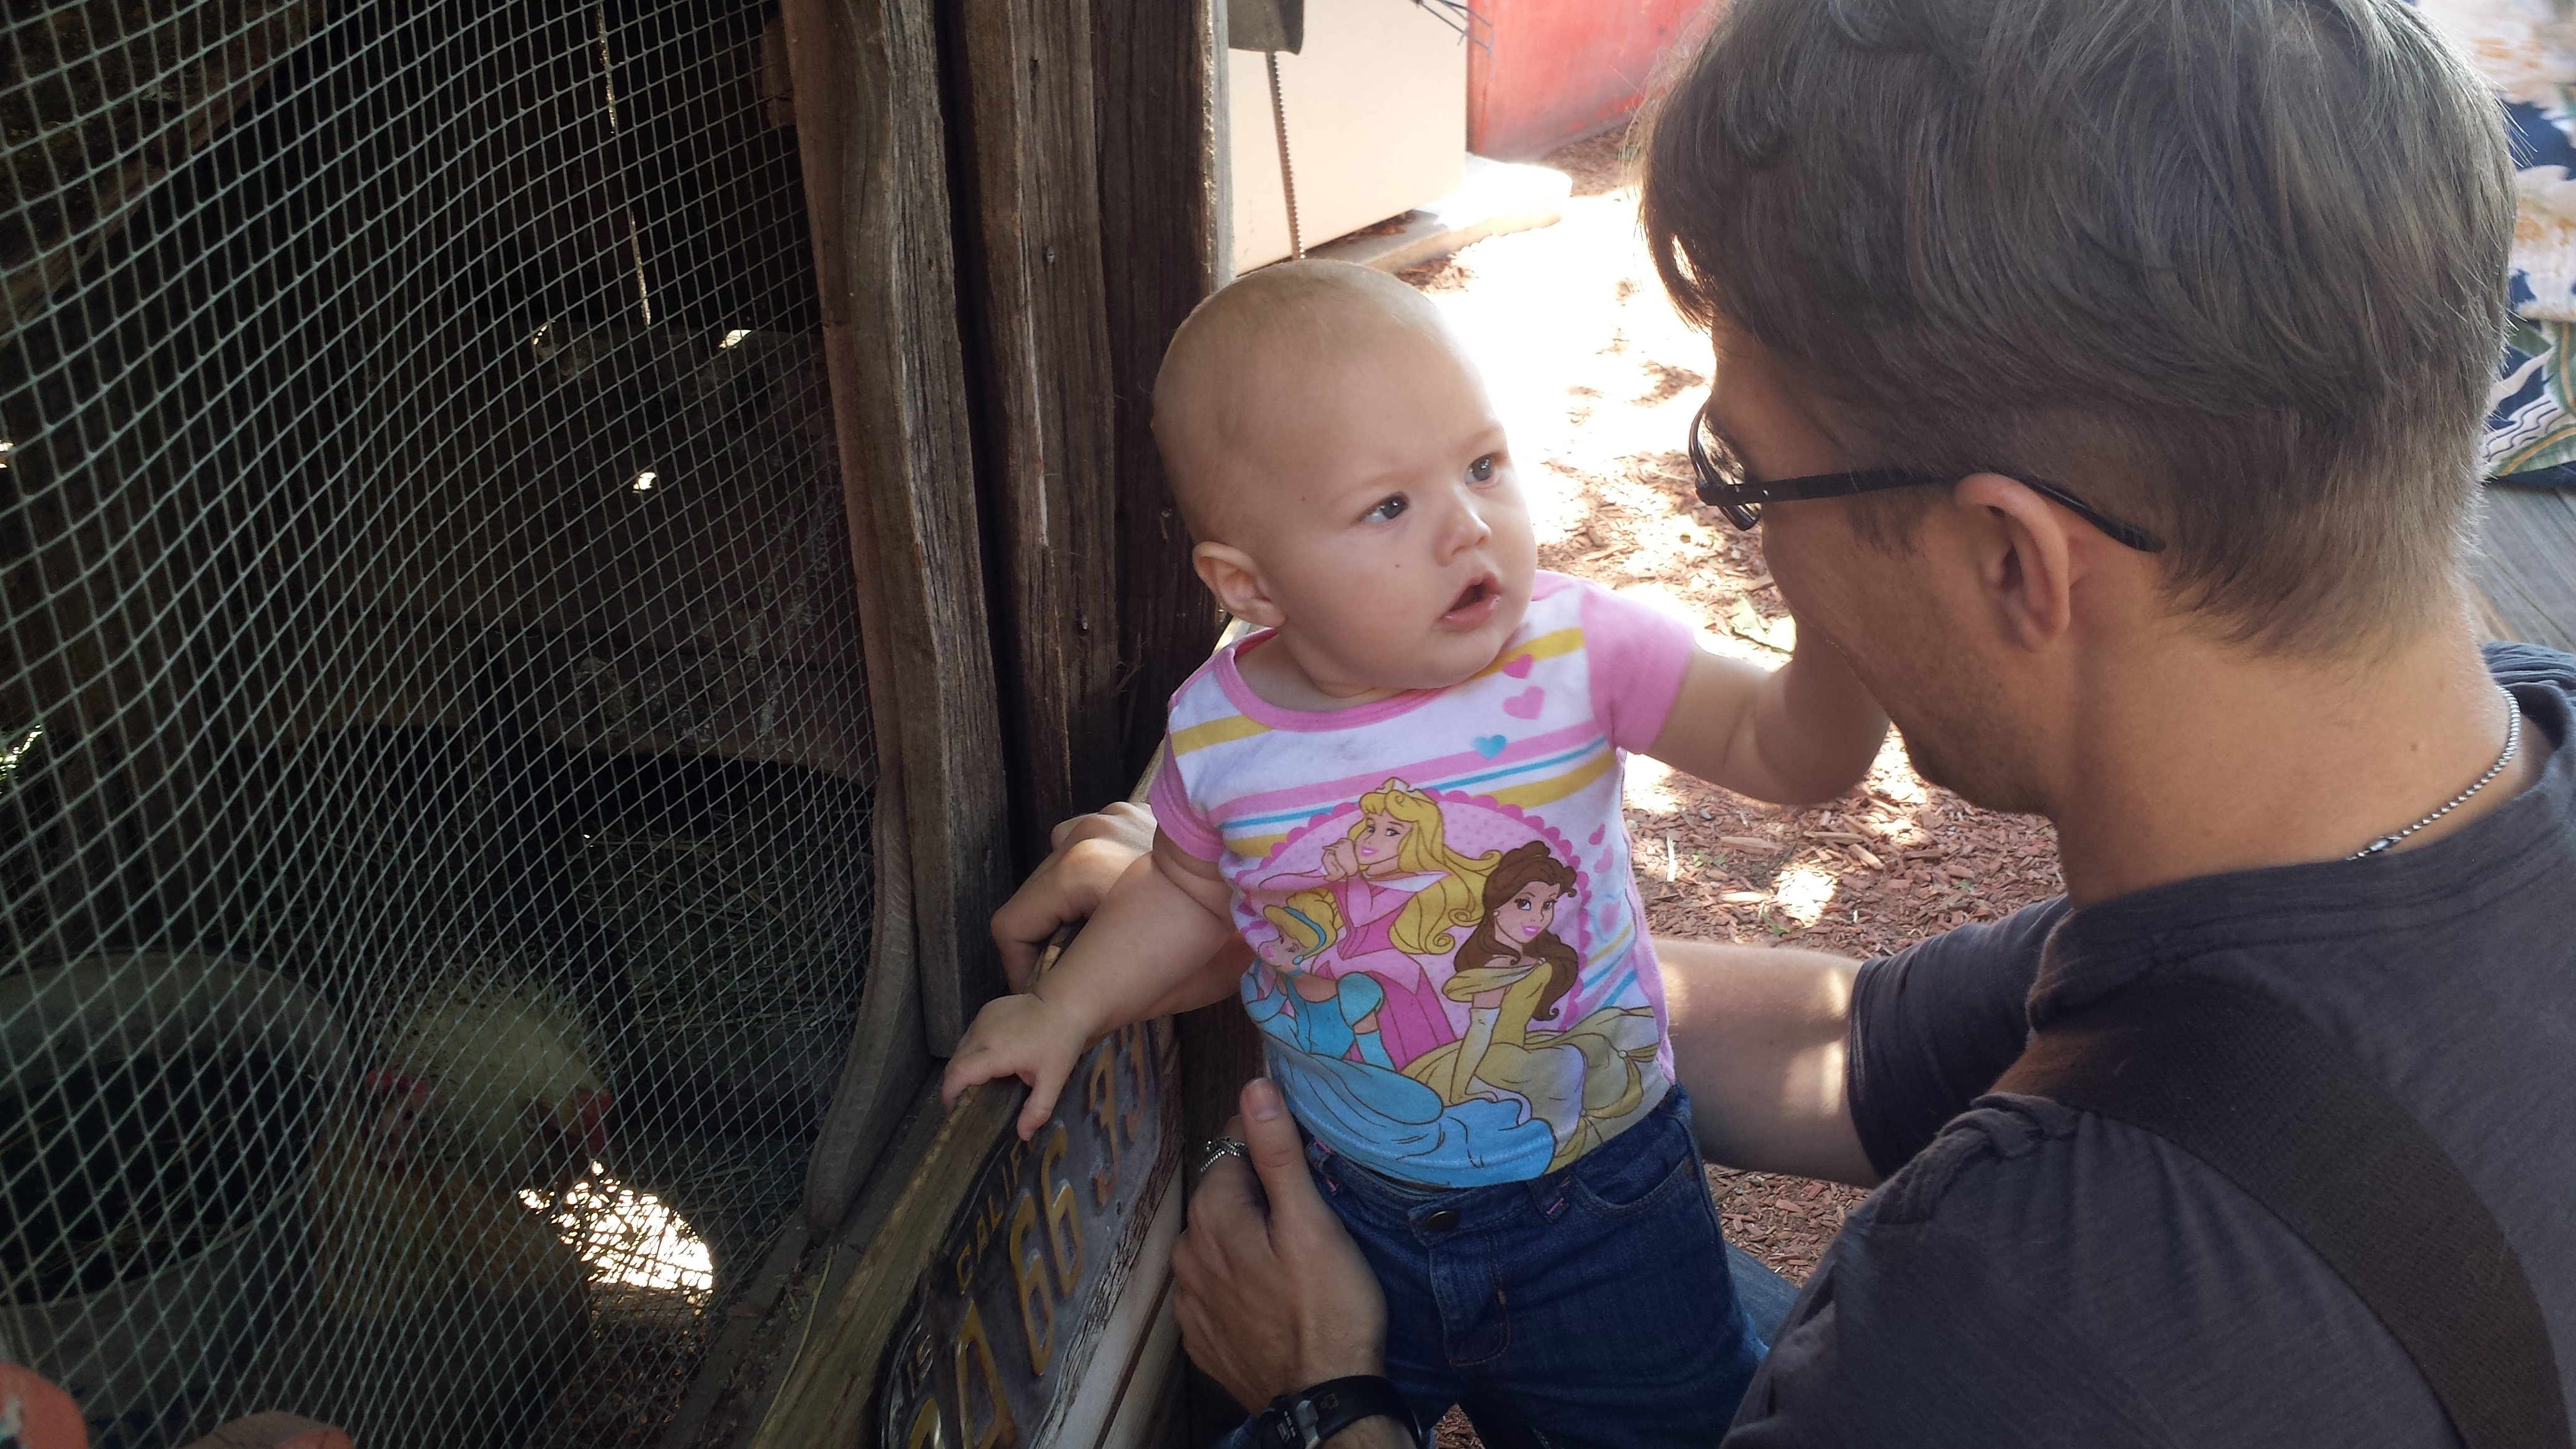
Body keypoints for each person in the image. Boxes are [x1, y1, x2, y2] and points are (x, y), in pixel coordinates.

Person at [993, 0, 2576, 1442]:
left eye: (1744, 478)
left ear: (2007, 560)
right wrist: (1298, 909)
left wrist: (1328, 1401)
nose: (1745, 534)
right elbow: (1861, 1047)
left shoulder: (1993, 1354)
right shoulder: (2474, 777)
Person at [942, 258, 1890, 1445]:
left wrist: (1853, 637)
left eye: (1483, 464)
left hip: (1605, 1212)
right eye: (1389, 506)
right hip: (1348, 1210)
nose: (1468, 525)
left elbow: (1783, 748)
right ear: (1250, 583)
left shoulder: (1577, 651)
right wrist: (1065, 1008)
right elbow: (1186, 894)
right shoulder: (1223, 731)